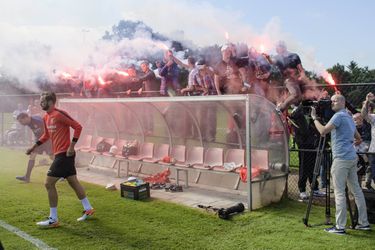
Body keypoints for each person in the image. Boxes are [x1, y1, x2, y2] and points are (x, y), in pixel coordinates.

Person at [26, 92, 94, 228]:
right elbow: (46, 135)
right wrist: (33, 147)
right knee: (73, 181)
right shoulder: (46, 117)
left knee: (48, 184)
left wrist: (71, 146)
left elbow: (78, 127)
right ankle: (88, 209)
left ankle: (53, 219)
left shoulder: (59, 114)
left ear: (51, 101)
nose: (40, 103)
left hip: (64, 154)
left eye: (43, 101)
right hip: (59, 154)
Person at [311, 94, 370, 234]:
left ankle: (340, 227)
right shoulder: (349, 117)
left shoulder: (338, 116)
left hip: (341, 159)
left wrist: (314, 118)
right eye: (331, 101)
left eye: (335, 100)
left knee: (339, 192)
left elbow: (323, 131)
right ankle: (363, 223)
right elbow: (358, 138)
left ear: (343, 102)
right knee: (356, 190)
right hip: (351, 157)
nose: (332, 103)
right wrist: (347, 144)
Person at [15, 113, 53, 182]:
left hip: (47, 141)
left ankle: (64, 174)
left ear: (25, 118)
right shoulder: (29, 122)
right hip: (39, 141)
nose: (21, 123)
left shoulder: (38, 121)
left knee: (52, 157)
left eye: (21, 121)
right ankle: (27, 177)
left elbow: (48, 130)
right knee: (32, 156)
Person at [274, 41, 306, 113]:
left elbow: (301, 69)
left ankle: (293, 107)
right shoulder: (277, 57)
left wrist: (302, 75)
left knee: (299, 97)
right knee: (295, 94)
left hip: (296, 80)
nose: (276, 49)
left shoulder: (294, 56)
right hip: (288, 80)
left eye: (278, 47)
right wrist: (267, 58)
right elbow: (271, 61)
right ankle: (280, 108)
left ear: (283, 47)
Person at [361, 92, 375, 191]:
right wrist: (366, 101)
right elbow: (364, 114)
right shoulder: (373, 118)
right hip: (373, 151)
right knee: (373, 173)